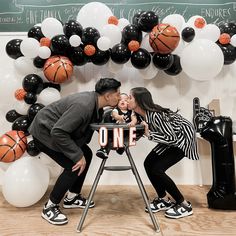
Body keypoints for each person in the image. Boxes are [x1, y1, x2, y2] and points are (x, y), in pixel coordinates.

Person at [29, 78, 121, 225]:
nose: (120, 97)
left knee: (87, 154)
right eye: (118, 94)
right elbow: (58, 132)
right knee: (74, 164)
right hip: (45, 133)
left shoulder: (96, 105)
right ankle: (50, 207)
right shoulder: (83, 105)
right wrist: (77, 156)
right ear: (108, 96)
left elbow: (92, 126)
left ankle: (72, 197)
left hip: (56, 131)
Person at [127, 87, 199, 219]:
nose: (127, 99)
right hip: (170, 139)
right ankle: (164, 199)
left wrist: (149, 134)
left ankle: (183, 204)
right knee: (148, 163)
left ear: (138, 101)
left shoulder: (155, 115)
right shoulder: (139, 115)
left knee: (157, 169)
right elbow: (137, 131)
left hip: (182, 138)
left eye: (130, 97)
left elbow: (172, 138)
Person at [96, 93, 137, 159]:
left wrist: (133, 122)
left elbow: (134, 118)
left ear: (129, 103)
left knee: (131, 135)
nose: (123, 101)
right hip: (113, 133)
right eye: (120, 100)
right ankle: (103, 149)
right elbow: (115, 115)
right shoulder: (115, 110)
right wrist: (119, 117)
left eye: (126, 100)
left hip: (125, 134)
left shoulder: (131, 112)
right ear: (117, 102)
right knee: (103, 132)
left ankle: (122, 146)